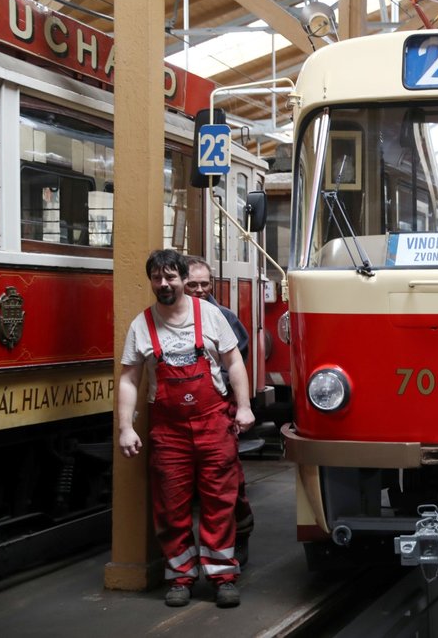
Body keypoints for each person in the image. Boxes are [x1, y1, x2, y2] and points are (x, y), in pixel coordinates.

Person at [117, 249, 254, 609]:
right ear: (152, 281)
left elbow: (234, 361)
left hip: (213, 424)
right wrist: (125, 427)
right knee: (171, 506)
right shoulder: (141, 326)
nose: (164, 284)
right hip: (169, 431)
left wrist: (244, 407)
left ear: (181, 278)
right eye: (157, 278)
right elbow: (129, 378)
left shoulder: (209, 316)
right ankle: (180, 577)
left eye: (170, 277)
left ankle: (223, 576)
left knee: (219, 501)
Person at [184, 255, 254, 567]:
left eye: (204, 284)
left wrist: (237, 406)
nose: (199, 290)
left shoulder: (224, 317)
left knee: (228, 484)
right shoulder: (167, 319)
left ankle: (240, 538)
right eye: (192, 285)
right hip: (183, 416)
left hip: (218, 411)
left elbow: (237, 362)